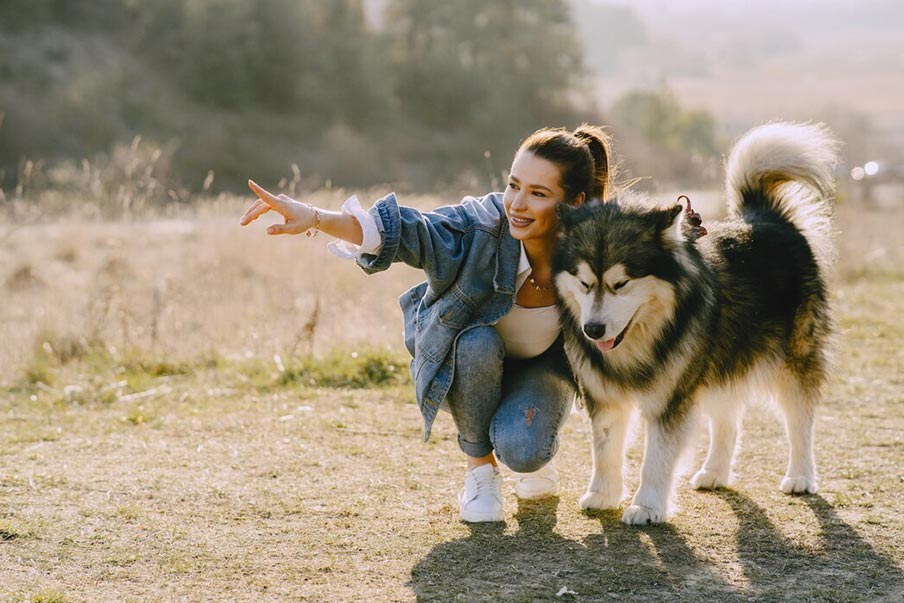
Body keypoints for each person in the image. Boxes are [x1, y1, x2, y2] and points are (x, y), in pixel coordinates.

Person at [240, 125, 613, 522]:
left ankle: (526, 446)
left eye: (538, 194)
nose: (517, 204)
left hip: (542, 367)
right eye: (513, 185)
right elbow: (409, 229)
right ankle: (481, 471)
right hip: (470, 359)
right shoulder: (481, 226)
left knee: (524, 452)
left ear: (574, 202)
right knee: (476, 342)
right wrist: (315, 216)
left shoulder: (598, 251)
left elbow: (654, 272)